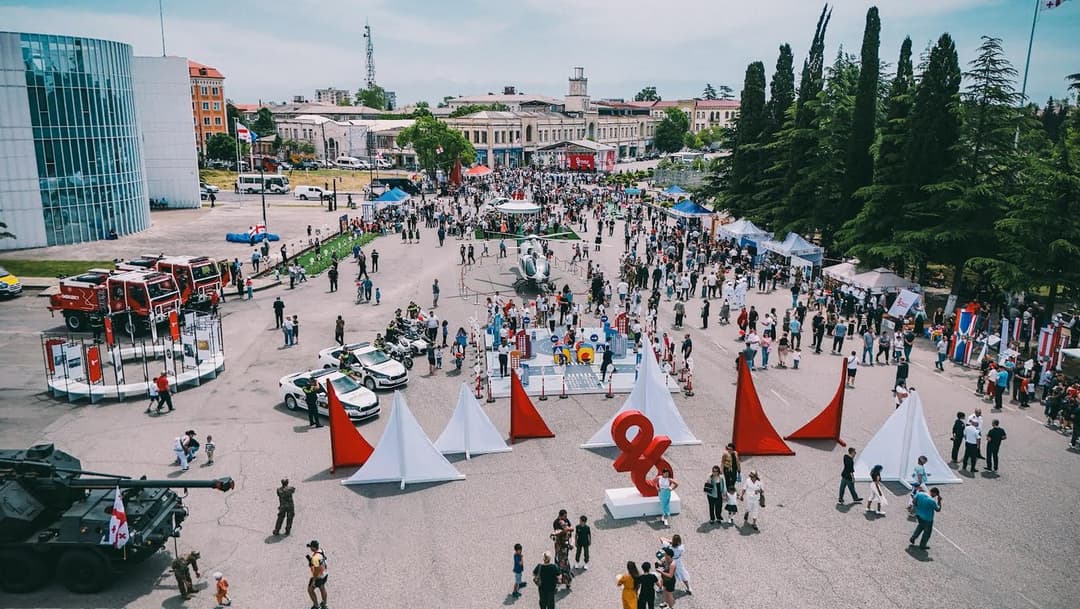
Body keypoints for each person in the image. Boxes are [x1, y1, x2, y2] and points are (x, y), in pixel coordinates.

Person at [306, 540, 328, 609]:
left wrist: (313, 581)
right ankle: (324, 604)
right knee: (322, 587)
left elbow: (316, 571)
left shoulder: (315, 558)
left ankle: (316, 606)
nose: (310, 548)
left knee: (310, 590)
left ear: (314, 547)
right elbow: (322, 561)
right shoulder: (321, 550)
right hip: (325, 574)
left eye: (311, 547)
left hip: (318, 576)